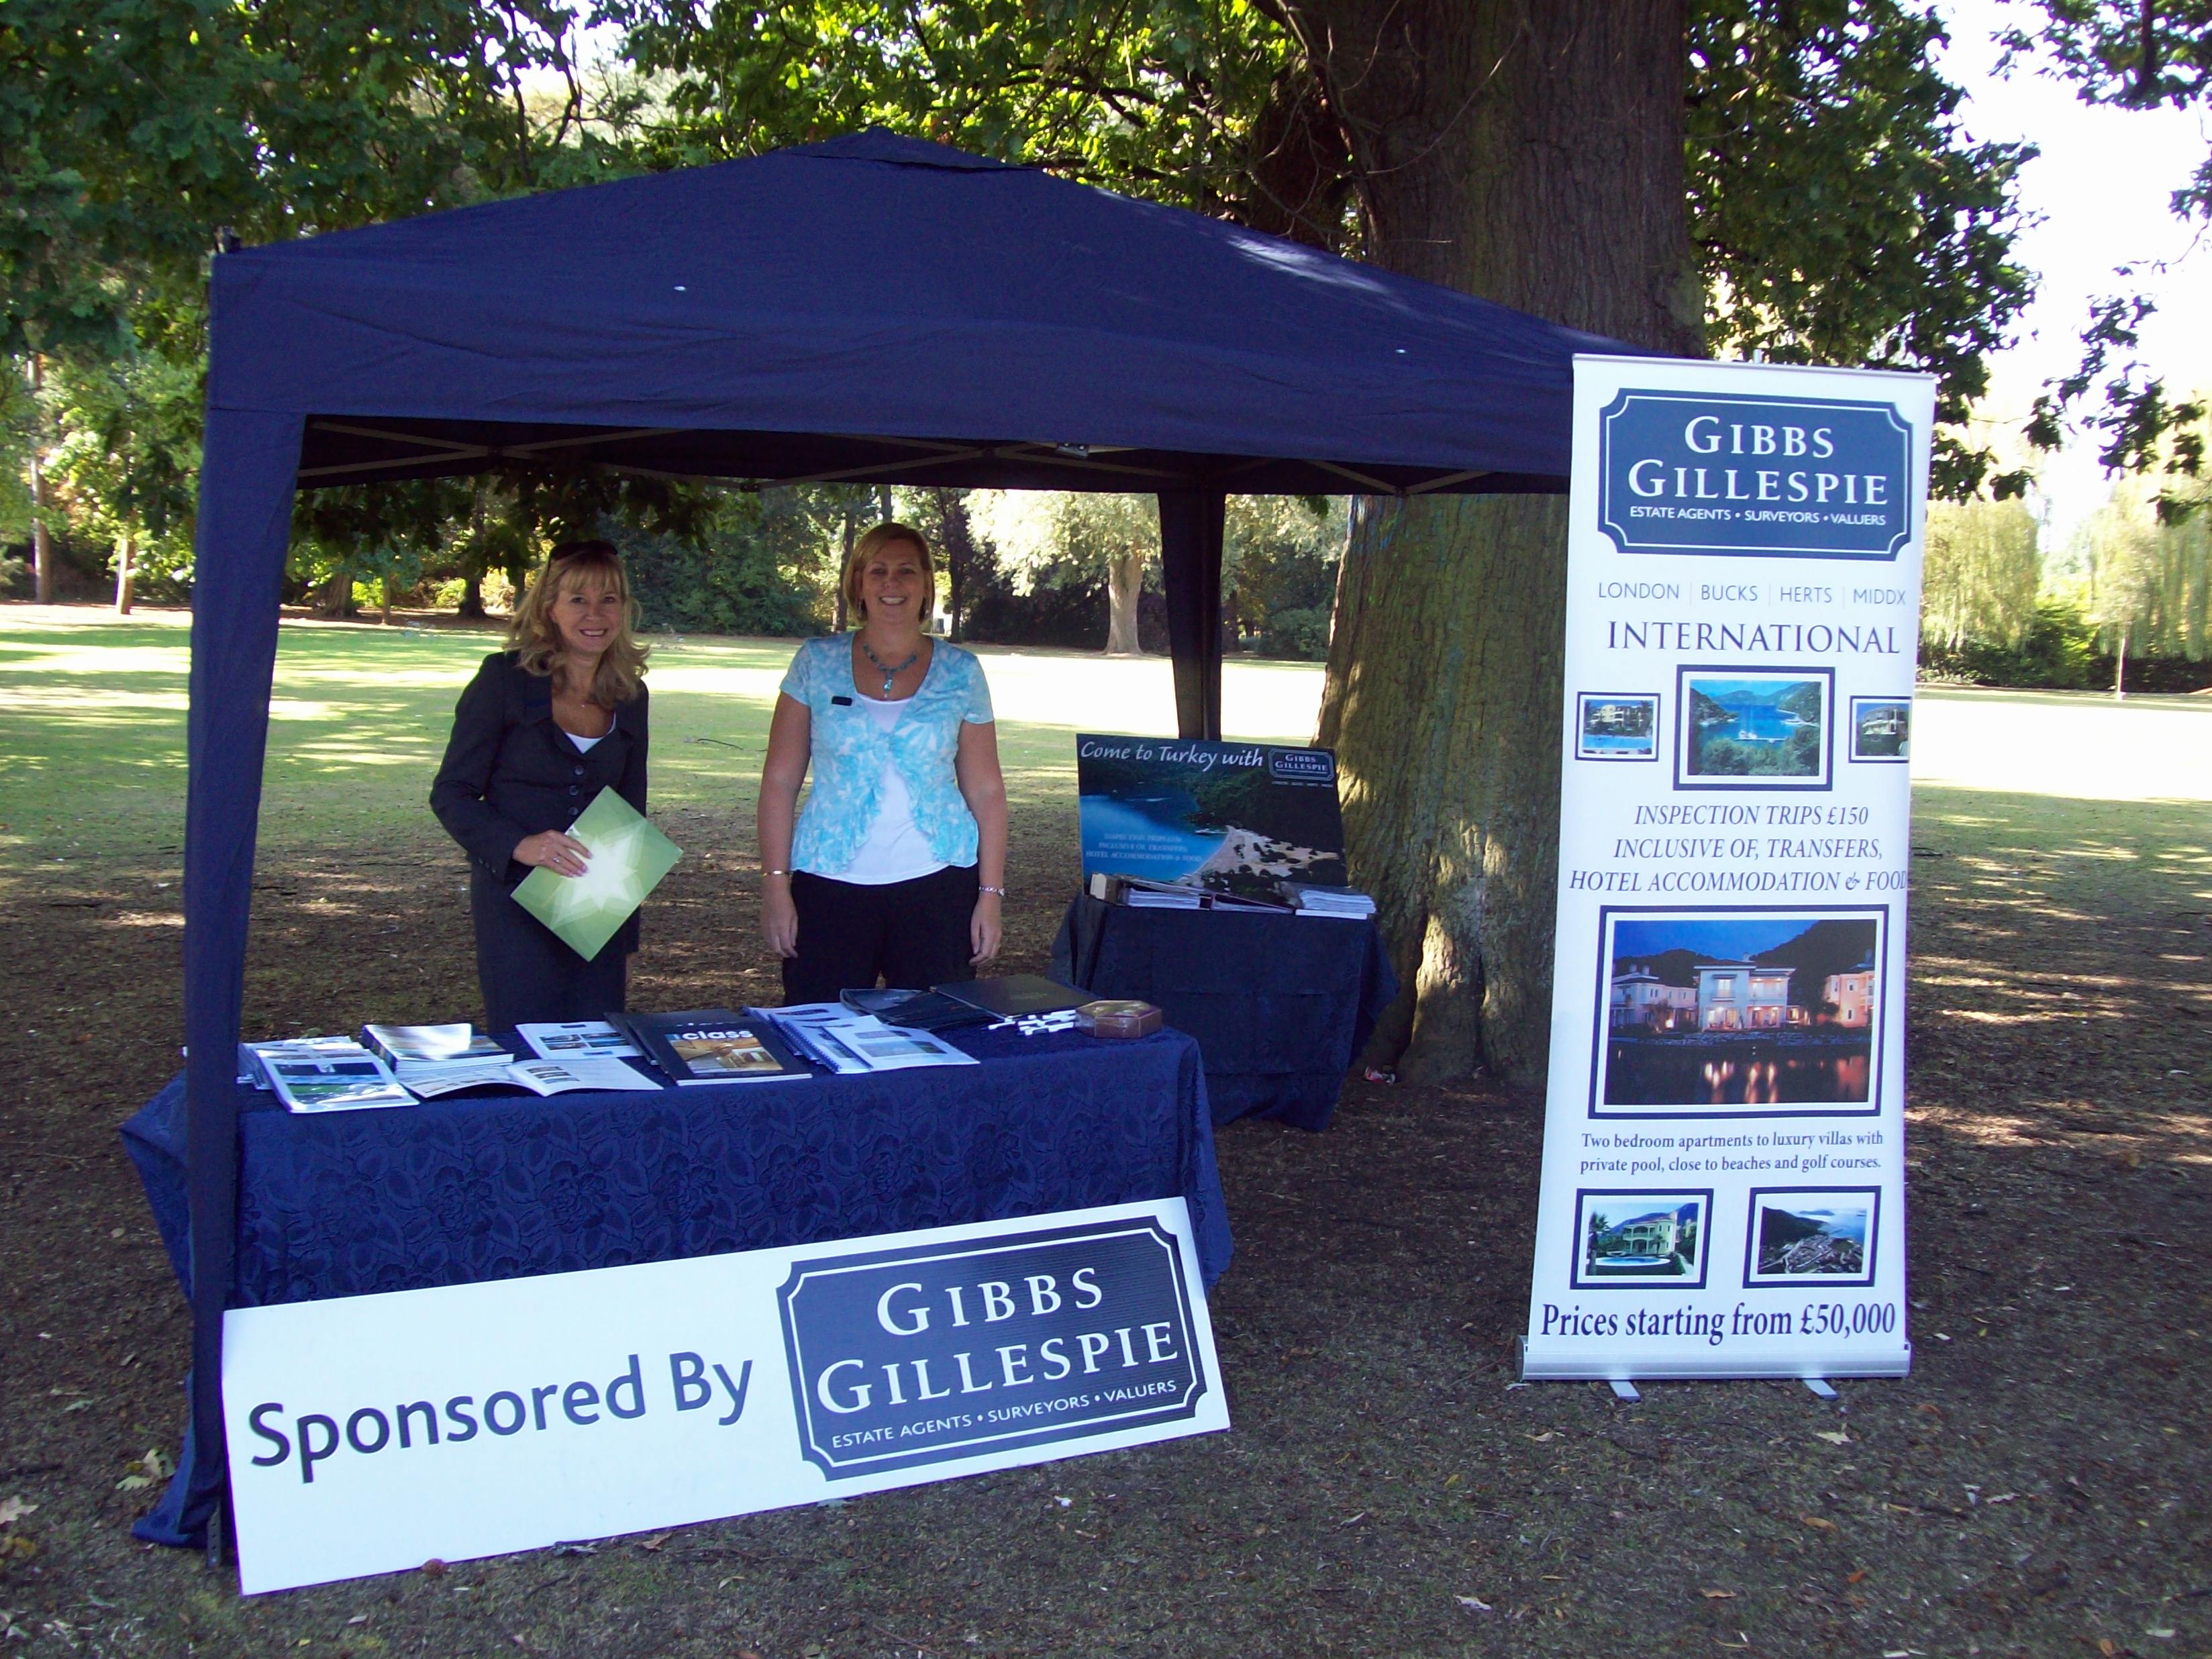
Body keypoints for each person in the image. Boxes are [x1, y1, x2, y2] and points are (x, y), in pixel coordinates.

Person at [758, 521, 1007, 1003]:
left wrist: (990, 896)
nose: (892, 583)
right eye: (878, 571)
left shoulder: (962, 672)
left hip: (938, 886)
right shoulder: (816, 662)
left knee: (934, 1043)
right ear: (859, 583)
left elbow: (987, 792)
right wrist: (775, 885)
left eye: (906, 571)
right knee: (818, 1037)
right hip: (828, 885)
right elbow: (780, 781)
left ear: (926, 585)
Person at [431, 540, 651, 1030]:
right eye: (579, 600)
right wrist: (520, 845)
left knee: (598, 1046)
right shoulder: (503, 680)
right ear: (549, 608)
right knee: (528, 1045)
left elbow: (631, 815)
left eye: (609, 600)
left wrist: (626, 933)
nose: (596, 614)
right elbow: (451, 793)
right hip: (513, 901)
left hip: (597, 903)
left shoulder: (631, 695)